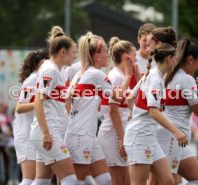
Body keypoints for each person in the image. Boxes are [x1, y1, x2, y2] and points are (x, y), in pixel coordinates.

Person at [65, 31, 133, 185]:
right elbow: (117, 96)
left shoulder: (82, 73)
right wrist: (128, 76)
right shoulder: (96, 74)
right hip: (81, 134)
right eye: (104, 52)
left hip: (85, 133)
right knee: (76, 182)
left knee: (104, 179)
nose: (108, 55)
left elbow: (67, 102)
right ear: (96, 56)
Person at [124, 43, 187, 185]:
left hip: (149, 137)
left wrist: (134, 114)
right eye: (176, 59)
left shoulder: (152, 75)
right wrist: (176, 131)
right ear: (169, 59)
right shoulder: (155, 78)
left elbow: (130, 98)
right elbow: (153, 111)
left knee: (168, 181)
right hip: (140, 137)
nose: (177, 63)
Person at [151, 38, 198, 185]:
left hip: (173, 137)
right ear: (190, 59)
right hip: (171, 136)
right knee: (166, 181)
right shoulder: (186, 79)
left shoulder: (168, 76)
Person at [30, 26, 79, 185]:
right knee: (70, 179)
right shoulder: (50, 70)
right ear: (63, 52)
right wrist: (46, 133)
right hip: (48, 133)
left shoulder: (59, 71)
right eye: (73, 52)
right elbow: (38, 101)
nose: (75, 56)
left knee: (42, 181)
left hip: (51, 132)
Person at [98, 37, 136, 185]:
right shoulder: (116, 77)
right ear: (126, 58)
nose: (136, 59)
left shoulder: (121, 76)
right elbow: (113, 112)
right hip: (114, 134)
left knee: (126, 181)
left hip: (120, 132)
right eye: (134, 56)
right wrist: (123, 140)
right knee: (118, 181)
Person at [13, 48, 49, 185]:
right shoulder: (33, 80)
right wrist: (38, 103)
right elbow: (20, 107)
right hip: (25, 135)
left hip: (33, 134)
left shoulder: (42, 78)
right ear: (42, 62)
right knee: (29, 179)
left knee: (38, 179)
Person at [129, 23, 156, 89]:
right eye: (144, 40)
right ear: (138, 39)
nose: (147, 43)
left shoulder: (159, 61)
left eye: (150, 40)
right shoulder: (131, 59)